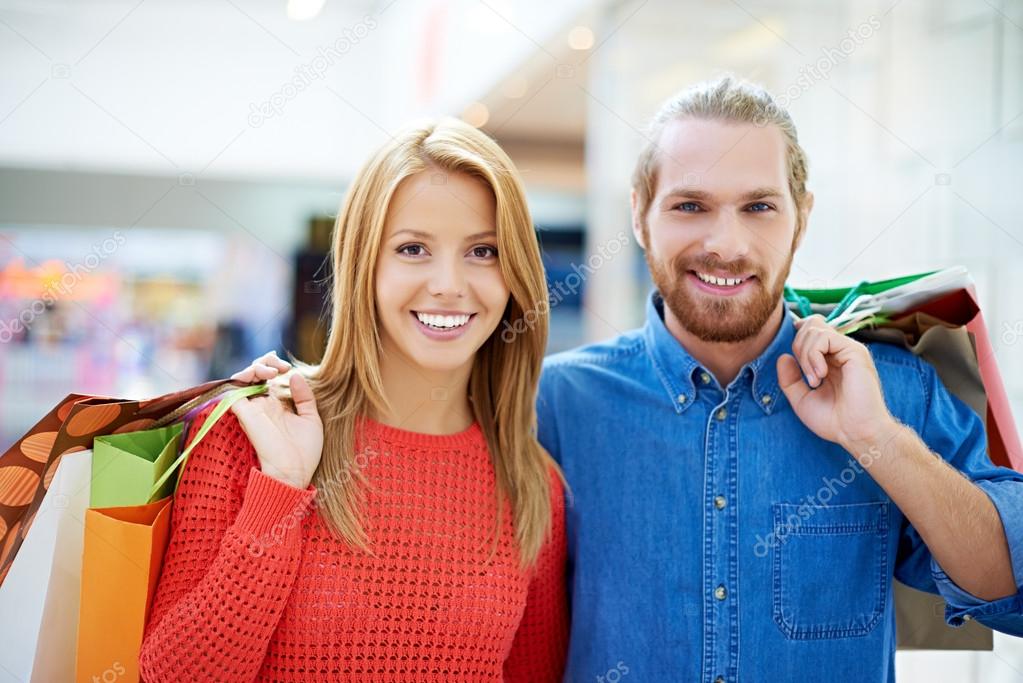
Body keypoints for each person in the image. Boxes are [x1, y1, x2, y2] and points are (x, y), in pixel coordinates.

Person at [533, 76, 1023, 681]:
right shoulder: (556, 404)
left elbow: (1013, 590)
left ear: (801, 217)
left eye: (758, 207)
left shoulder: (897, 394)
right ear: (638, 214)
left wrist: (878, 441)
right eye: (690, 206)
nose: (726, 244)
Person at [138, 118, 568, 682]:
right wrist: (279, 490)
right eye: (413, 248)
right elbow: (171, 678)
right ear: (364, 263)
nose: (448, 284)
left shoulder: (531, 482)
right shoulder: (254, 429)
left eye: (483, 251)